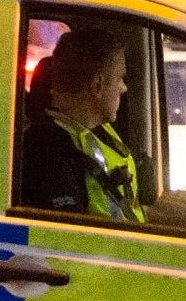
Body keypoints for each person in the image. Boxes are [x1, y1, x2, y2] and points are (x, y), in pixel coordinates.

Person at [22, 24, 144, 222]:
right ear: (98, 85)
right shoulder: (47, 154)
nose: (124, 88)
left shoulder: (98, 132)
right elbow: (73, 240)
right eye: (120, 79)